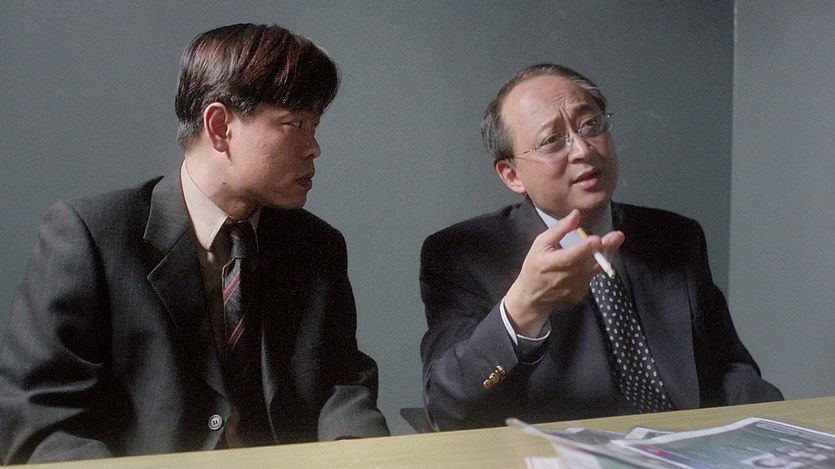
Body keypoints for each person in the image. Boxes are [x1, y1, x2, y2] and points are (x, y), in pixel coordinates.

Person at [0, 23, 389, 463]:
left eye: (314, 126)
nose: (314, 147)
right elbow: (43, 418)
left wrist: (355, 452)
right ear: (219, 126)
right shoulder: (90, 235)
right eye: (294, 124)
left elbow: (342, 383)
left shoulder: (316, 245)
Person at [419, 63, 783, 431]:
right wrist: (526, 305)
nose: (582, 149)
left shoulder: (675, 236)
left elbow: (727, 372)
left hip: (685, 445)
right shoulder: (464, 254)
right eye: (552, 140)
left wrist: (781, 432)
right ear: (512, 175)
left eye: (590, 124)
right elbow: (448, 407)